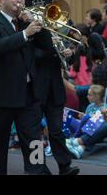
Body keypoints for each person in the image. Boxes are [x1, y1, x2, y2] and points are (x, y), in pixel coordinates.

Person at [0, 0, 48, 175]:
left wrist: (39, 26)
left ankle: (37, 173)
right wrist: (25, 34)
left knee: (34, 142)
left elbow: (46, 49)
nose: (19, 1)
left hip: (28, 95)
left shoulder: (25, 23)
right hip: (2, 96)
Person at [31, 29, 80, 175]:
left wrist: (69, 54)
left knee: (56, 130)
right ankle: (38, 168)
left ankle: (64, 166)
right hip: (36, 89)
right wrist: (51, 47)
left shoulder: (55, 34)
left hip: (55, 89)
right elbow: (34, 56)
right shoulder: (31, 33)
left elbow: (66, 63)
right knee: (35, 132)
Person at [66, 85, 107, 159]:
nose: (87, 96)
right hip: (85, 129)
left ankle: (75, 142)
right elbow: (83, 123)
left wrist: (105, 114)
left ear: (97, 97)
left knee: (90, 119)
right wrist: (82, 118)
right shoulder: (90, 106)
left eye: (89, 95)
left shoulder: (106, 107)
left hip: (96, 131)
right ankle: (77, 146)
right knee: (68, 118)